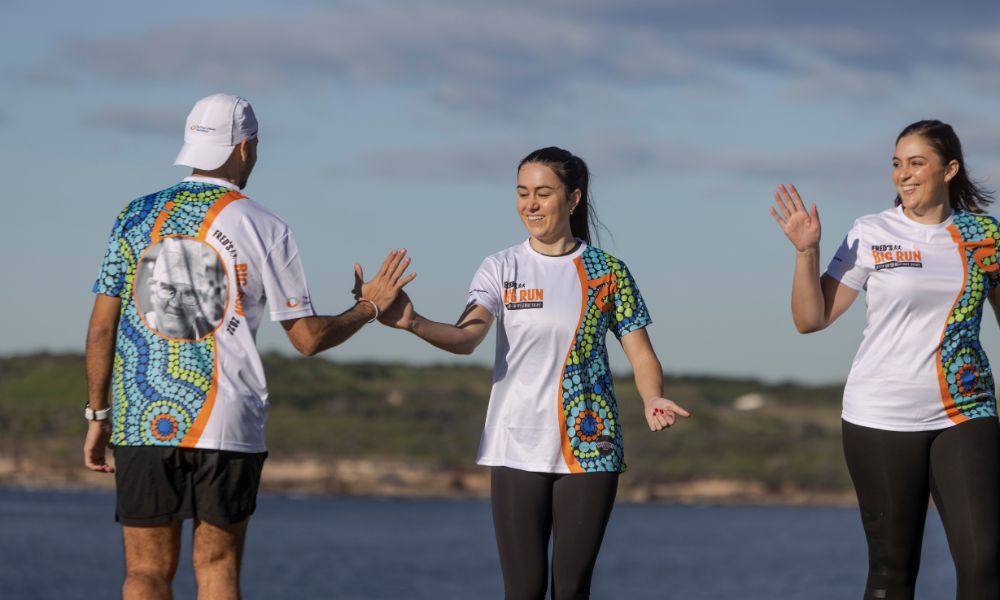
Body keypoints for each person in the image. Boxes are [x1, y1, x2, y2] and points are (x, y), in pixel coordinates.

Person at [84, 93, 414, 600]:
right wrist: (368, 309)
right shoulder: (265, 225)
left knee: (145, 572)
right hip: (226, 419)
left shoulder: (133, 215)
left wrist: (98, 413)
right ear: (245, 148)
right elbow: (307, 339)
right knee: (217, 569)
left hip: (142, 416)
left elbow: (102, 327)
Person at [377, 146, 689, 599]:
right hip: (515, 442)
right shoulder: (501, 267)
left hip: (590, 444)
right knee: (522, 590)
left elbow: (641, 354)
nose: (531, 204)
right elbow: (467, 337)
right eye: (523, 193)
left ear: (573, 198)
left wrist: (651, 397)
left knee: (571, 588)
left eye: (543, 193)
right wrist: (415, 323)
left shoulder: (608, 272)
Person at [769, 120, 1000, 599]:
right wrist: (806, 253)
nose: (904, 175)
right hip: (881, 415)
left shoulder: (984, 236)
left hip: (966, 408)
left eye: (917, 163)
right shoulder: (872, 232)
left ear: (949, 169)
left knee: (984, 560)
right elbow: (811, 319)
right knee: (893, 571)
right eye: (897, 164)